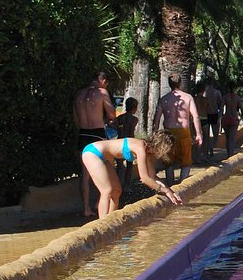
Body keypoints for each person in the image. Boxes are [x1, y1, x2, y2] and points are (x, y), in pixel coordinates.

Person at [80, 131, 183, 219]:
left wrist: (169, 191)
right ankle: (101, 225)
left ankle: (110, 221)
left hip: (103, 157)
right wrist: (164, 190)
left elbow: (153, 177)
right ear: (161, 146)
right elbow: (145, 178)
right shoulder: (141, 147)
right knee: (107, 191)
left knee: (117, 190)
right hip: (92, 153)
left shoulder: (148, 154)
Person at [73, 71, 116, 217]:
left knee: (85, 174)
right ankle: (101, 203)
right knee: (107, 168)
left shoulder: (78, 94)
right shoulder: (102, 92)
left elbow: (76, 120)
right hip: (97, 133)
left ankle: (86, 208)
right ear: (102, 80)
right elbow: (112, 115)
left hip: (83, 133)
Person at [152, 73, 203, 186]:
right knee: (186, 162)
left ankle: (170, 186)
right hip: (183, 132)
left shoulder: (164, 99)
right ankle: (183, 186)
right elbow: (195, 116)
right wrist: (198, 134)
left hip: (168, 133)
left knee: (169, 163)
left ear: (169, 84)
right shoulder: (188, 97)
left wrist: (155, 133)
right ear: (180, 83)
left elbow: (157, 118)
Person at [112, 97, 139, 186]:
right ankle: (127, 185)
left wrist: (119, 129)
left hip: (119, 142)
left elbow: (112, 124)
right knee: (129, 166)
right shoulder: (134, 119)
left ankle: (118, 184)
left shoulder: (120, 118)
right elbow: (131, 131)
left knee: (119, 167)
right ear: (134, 108)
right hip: (129, 142)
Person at [221, 81, 243, 158]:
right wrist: (242, 116)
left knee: (227, 138)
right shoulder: (237, 98)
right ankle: (231, 154)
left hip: (226, 118)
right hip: (234, 118)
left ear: (228, 88)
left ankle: (228, 154)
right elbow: (242, 108)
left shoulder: (225, 97)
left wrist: (220, 118)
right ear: (234, 88)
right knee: (232, 138)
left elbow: (221, 109)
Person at [204, 78, 223, 158]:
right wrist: (220, 113)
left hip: (205, 114)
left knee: (206, 134)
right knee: (215, 134)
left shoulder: (205, 92)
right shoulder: (217, 92)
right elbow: (221, 103)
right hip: (214, 113)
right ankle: (211, 147)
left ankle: (206, 150)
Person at [193, 81, 210, 162]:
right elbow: (208, 110)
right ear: (203, 90)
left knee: (196, 137)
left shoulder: (194, 99)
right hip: (205, 118)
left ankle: (197, 155)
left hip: (196, 119)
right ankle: (205, 154)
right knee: (206, 137)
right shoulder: (206, 100)